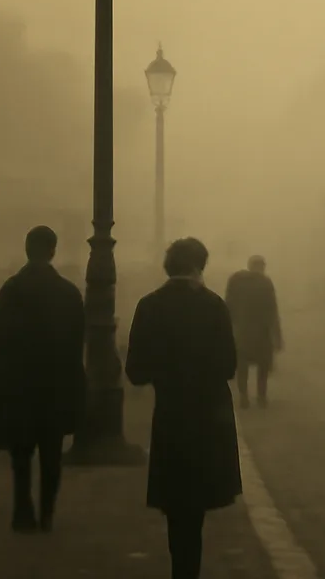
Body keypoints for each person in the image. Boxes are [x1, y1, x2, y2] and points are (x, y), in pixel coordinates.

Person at [125, 237, 242, 579]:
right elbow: (228, 366)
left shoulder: (149, 306)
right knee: (197, 505)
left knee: (177, 505)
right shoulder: (214, 306)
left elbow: (136, 372)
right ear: (198, 267)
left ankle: (182, 569)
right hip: (208, 417)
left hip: (171, 416)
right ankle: (188, 569)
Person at [0, 225, 85, 533]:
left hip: (18, 387)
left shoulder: (11, 290)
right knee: (51, 454)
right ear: (53, 251)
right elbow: (77, 344)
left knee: (20, 454)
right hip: (55, 388)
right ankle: (47, 514)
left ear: (27, 249)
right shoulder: (68, 293)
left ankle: (22, 510)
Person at [224, 255, 282, 409]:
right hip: (262, 332)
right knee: (263, 366)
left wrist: (227, 328)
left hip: (242, 332)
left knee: (242, 366)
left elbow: (228, 304)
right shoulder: (265, 282)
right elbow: (272, 309)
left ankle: (244, 397)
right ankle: (261, 396)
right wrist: (277, 335)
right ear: (261, 267)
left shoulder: (236, 280)